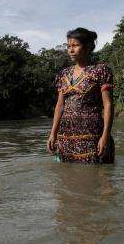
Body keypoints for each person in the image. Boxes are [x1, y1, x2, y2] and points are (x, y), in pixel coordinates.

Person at [47, 27, 115, 164]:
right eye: (69, 46)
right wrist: (53, 134)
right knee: (66, 179)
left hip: (92, 135)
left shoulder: (100, 70)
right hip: (66, 137)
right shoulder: (63, 74)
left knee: (97, 178)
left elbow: (108, 105)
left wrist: (105, 136)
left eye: (75, 45)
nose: (70, 50)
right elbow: (60, 106)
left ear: (88, 46)